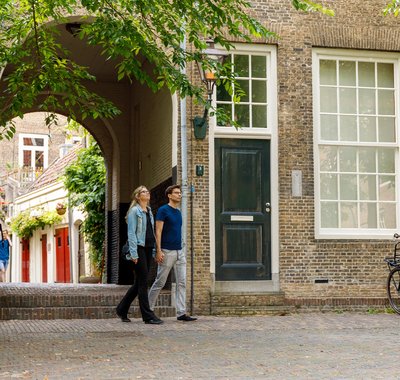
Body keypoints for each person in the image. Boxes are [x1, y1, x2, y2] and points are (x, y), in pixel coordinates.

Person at [148, 184, 197, 322]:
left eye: (180, 193)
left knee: (182, 282)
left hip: (179, 251)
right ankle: (148, 310)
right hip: (166, 251)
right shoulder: (163, 210)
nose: (179, 195)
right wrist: (158, 250)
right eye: (176, 193)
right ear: (169, 195)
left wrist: (182, 246)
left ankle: (181, 313)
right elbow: (158, 231)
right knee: (160, 282)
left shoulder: (178, 212)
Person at [116, 186, 163, 325]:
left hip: (148, 248)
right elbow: (131, 233)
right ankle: (147, 315)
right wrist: (134, 253)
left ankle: (122, 308)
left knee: (139, 283)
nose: (147, 193)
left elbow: (151, 233)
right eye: (143, 191)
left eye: (148, 191)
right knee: (143, 282)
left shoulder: (149, 211)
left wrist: (154, 250)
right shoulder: (134, 211)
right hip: (138, 248)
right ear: (137, 196)